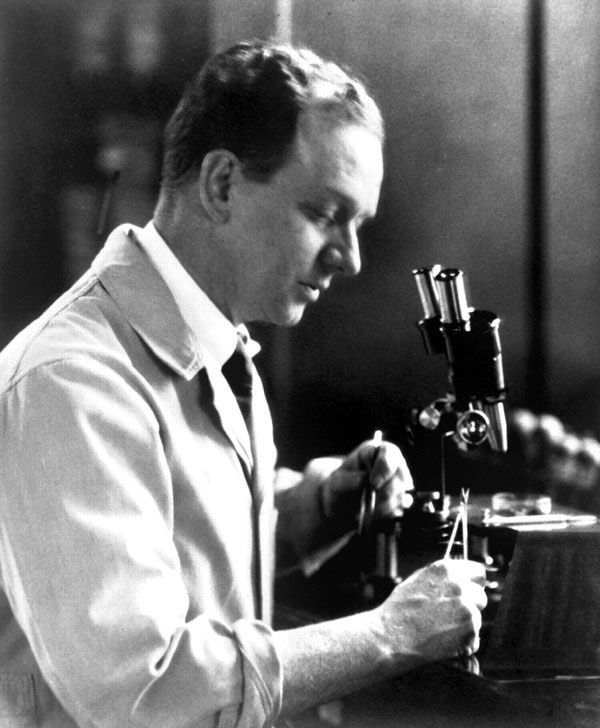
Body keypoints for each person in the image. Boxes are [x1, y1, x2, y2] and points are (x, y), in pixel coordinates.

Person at [0, 40, 486, 728]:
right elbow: (145, 694)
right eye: (325, 214)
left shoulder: (215, 343)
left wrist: (317, 505)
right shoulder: (72, 382)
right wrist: (392, 633)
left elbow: (183, 547)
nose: (349, 259)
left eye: (357, 224)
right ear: (223, 183)